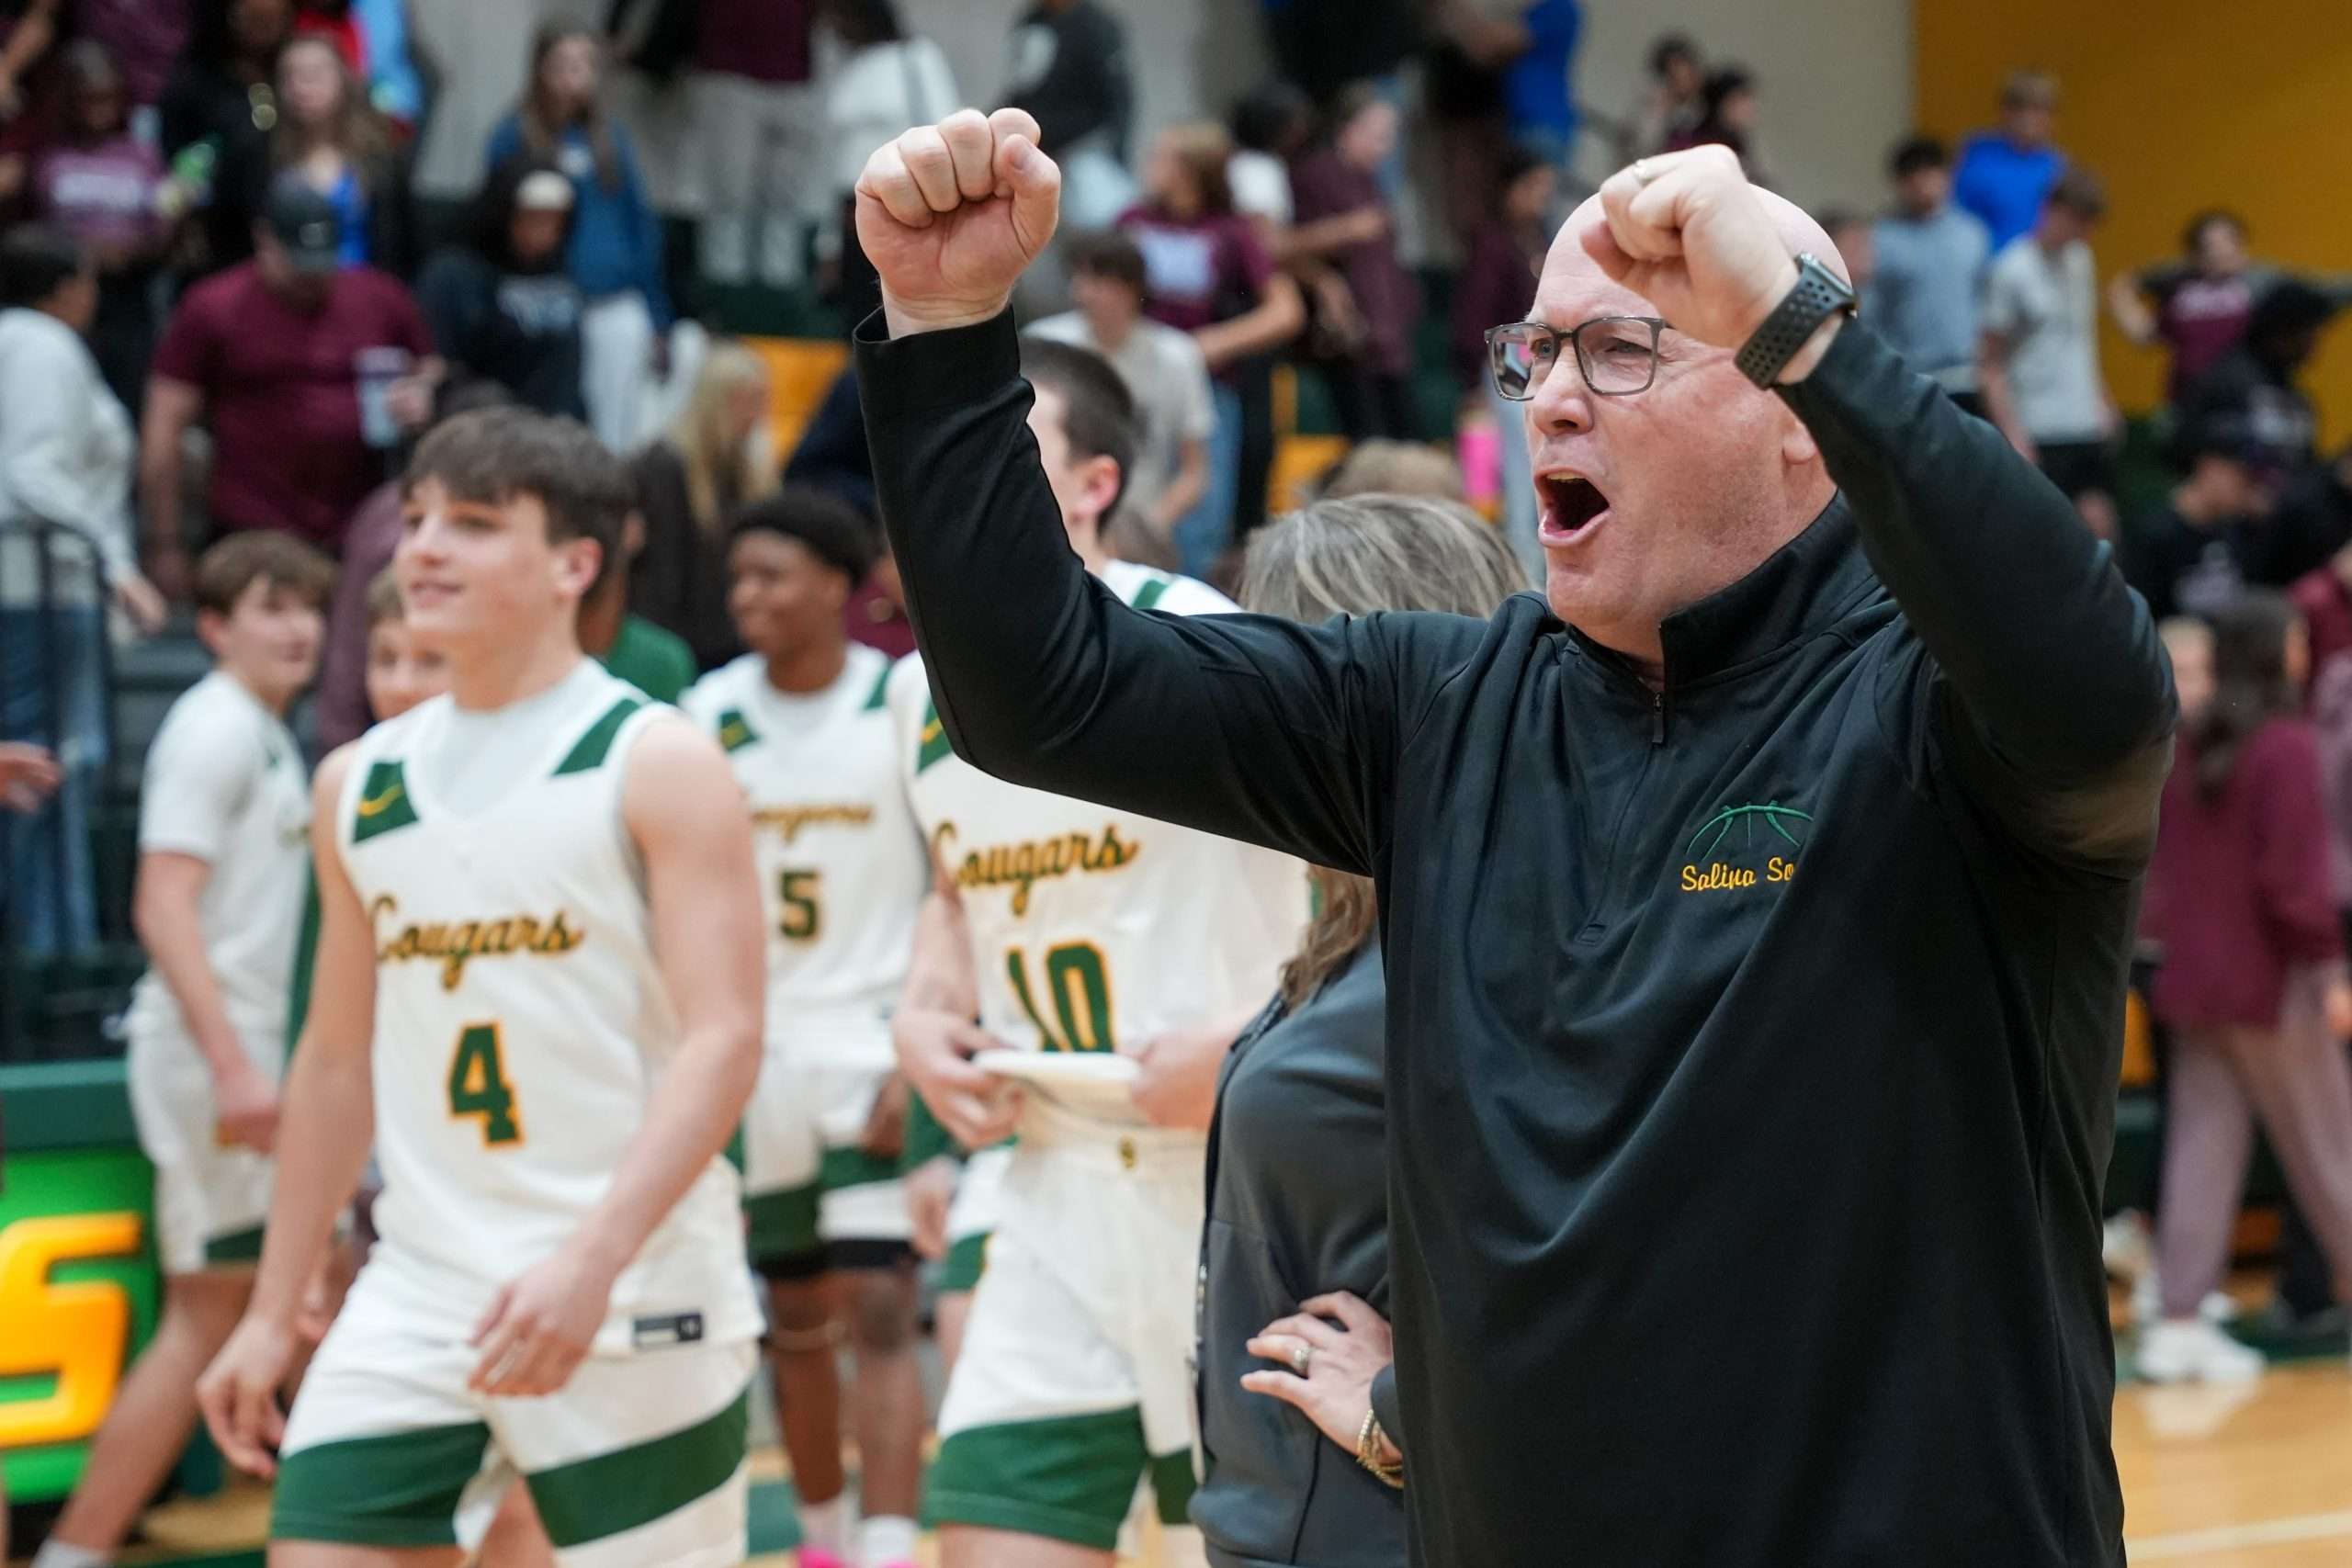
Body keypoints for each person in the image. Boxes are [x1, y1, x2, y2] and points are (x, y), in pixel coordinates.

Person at [854, 114, 2173, 1565]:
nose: (1550, 398)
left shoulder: (1936, 712)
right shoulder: (1438, 706)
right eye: (1534, 351)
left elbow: (2095, 678)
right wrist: (944, 322)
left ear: (1800, 411)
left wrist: (1803, 325)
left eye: (1622, 350)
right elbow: (1041, 689)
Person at [195, 406, 768, 1565]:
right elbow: (334, 1060)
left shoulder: (656, 761)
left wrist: (592, 1261)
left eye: (472, 523)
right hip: (422, 1285)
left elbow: (726, 1041)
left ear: (574, 564)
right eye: (415, 521)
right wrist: (272, 1310)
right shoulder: (355, 784)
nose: (425, 550)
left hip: (633, 1279)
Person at [880, 336, 1307, 1568]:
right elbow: (959, 889)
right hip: (1053, 1178)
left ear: (1094, 485)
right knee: (989, 1532)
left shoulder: (1203, 636)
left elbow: (1361, 891)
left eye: (1006, 454)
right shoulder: (916, 694)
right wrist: (922, 1011)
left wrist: (1245, 1056)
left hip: (1230, 1180)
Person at [1194, 494, 1525, 1568]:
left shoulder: (1485, 938)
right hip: (1281, 1521)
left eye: (1270, 672)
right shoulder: (1360, 915)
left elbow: (1619, 1270)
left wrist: (1397, 1417)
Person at [31, 532, 330, 1568]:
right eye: (268, 607)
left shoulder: (261, 733)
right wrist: (236, 1068)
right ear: (212, 627)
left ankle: (357, 1523)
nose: (296, 627)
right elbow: (162, 904)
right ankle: (77, 1547)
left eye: (306, 607)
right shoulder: (213, 732)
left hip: (241, 1052)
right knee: (214, 1310)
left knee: (310, 1286)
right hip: (216, 1059)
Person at [681, 489, 928, 1568]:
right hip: (756, 1051)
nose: (747, 598)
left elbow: (947, 884)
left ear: (839, 585)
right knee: (793, 1314)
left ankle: (886, 1542)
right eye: (737, 579)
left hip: (870, 1038)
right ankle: (821, 1540)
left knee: (881, 1301)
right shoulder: (703, 715)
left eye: (770, 575)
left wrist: (919, 1040)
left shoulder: (898, 702)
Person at [2141, 592, 2352, 1382]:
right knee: (2333, 1148)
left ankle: (2180, 1319)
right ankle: (2184, 1317)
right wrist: (2333, 971)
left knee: (2203, 1149)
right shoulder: (2287, 746)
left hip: (2195, 982)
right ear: (2274, 651)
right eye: (2296, 640)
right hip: (2273, 985)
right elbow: (2295, 886)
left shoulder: (2190, 741)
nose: (2305, 650)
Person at [141, 173, 438, 592]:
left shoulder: (380, 298)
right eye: (297, 263)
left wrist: (422, 393)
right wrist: (165, 543)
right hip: (253, 526)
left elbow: (433, 371)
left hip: (357, 526)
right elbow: (164, 424)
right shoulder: (214, 307)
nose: (311, 279)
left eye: (322, 263)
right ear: (265, 240)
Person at [0, 224, 164, 958]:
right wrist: (116, 564)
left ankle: (51, 955)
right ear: (68, 285)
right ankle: (52, 964)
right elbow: (30, 473)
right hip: (39, 594)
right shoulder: (41, 344)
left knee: (44, 777)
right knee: (47, 778)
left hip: (40, 593)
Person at [1119, 124, 1302, 576]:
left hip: (1206, 386)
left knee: (1202, 512)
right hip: (1136, 380)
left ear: (1191, 170)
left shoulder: (1231, 232)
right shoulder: (1134, 221)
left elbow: (1285, 310)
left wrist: (1215, 343)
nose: (1151, 166)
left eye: (1163, 157)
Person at [488, 23, 671, 453]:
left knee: (616, 433)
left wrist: (658, 316)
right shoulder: (512, 137)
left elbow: (640, 228)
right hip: (546, 304)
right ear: (539, 71)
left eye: (585, 66)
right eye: (563, 66)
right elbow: (494, 225)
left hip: (613, 302)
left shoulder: (611, 142)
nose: (574, 78)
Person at [1026, 229, 1213, 547]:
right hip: (1056, 528)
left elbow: (1194, 473)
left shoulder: (1178, 357)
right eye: (1079, 279)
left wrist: (1148, 529)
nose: (1083, 292)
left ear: (1131, 289)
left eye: (1098, 281)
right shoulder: (1044, 346)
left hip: (1141, 527)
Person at [30, 39, 174, 412]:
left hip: (128, 298)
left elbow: (164, 231)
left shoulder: (145, 158)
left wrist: (133, 251)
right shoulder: (50, 157)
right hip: (63, 296)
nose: (99, 109)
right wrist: (84, 252)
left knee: (125, 401)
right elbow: (36, 230)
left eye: (108, 97)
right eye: (89, 97)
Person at [1980, 165, 2120, 538]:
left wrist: (2102, 399)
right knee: (2045, 536)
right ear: (2052, 211)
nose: (2084, 234)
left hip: (2084, 421)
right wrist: (2012, 432)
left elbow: (2080, 338)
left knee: (2101, 526)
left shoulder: (2080, 260)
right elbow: (1990, 362)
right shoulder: (2012, 269)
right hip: (2037, 425)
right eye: (2078, 223)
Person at [629, 340, 775, 671]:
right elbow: (661, 576)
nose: (758, 413)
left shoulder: (746, 468)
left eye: (762, 399)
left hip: (731, 641)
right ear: (716, 403)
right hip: (679, 642)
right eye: (749, 400)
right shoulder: (662, 467)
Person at [1288, 84, 1419, 443]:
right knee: (1369, 441)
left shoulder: (1372, 183)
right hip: (1348, 340)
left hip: (1386, 337)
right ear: (1347, 130)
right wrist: (1346, 231)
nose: (1385, 145)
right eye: (1377, 134)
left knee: (1406, 439)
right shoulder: (1316, 175)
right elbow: (1283, 246)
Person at [815, 0, 956, 324]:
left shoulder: (916, 57)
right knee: (858, 316)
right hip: (851, 213)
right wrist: (829, 244)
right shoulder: (851, 68)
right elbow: (838, 162)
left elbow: (941, 127)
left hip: (902, 204)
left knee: (899, 311)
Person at [416, 156, 586, 418]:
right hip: (488, 432)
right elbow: (437, 366)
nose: (544, 231)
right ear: (504, 212)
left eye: (554, 220)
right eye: (533, 217)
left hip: (557, 431)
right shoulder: (457, 274)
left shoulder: (559, 273)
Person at [1455, 145, 1556, 580]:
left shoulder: (1536, 237)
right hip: (1508, 354)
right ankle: (1523, 575)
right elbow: (1475, 315)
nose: (1541, 197)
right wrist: (1475, 379)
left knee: (1538, 464)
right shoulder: (1493, 242)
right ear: (1511, 189)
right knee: (1519, 473)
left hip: (1539, 355)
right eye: (1534, 187)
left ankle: (1540, 568)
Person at [158, 0, 294, 280]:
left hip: (290, 226)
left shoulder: (295, 76)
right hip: (218, 234)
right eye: (253, 18)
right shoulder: (193, 84)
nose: (263, 29)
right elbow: (175, 165)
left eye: (272, 19)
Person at [686, 0, 818, 288]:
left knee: (785, 199)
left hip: (793, 73)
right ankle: (726, 297)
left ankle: (779, 300)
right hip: (730, 70)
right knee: (729, 195)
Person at [265, 30, 413, 274]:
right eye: (291, 75)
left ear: (344, 79)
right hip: (285, 293)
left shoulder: (381, 160)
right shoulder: (263, 154)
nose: (301, 85)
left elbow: (399, 249)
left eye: (315, 74)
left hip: (362, 291)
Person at [1870, 134, 1991, 403]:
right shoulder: (1882, 239)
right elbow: (1872, 311)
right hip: (1911, 376)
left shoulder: (1972, 234)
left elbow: (1986, 302)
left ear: (1947, 175)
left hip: (1968, 375)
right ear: (1899, 182)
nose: (1923, 182)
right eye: (1913, 174)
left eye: (1931, 171)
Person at [2123, 413, 2280, 622]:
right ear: (2209, 468)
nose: (2250, 489)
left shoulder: (2239, 530)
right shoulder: (2154, 535)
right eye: (2244, 477)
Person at [2178, 279, 2342, 478]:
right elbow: (2186, 445)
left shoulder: (2297, 398)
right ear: (2280, 333)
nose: (2315, 341)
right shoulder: (2226, 380)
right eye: (2308, 331)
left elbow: (2303, 468)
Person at [1003, 0, 1132, 229]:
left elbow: (1118, 98)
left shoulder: (1097, 27)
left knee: (1094, 234)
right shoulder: (1031, 23)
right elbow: (1021, 89)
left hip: (1084, 150)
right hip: (1034, 148)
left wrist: (1118, 155)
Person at [1951, 69, 2065, 250]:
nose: (2030, 118)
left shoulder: (2057, 166)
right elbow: (1954, 216)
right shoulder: (1977, 155)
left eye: (2040, 109)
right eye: (2020, 108)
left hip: (2035, 271)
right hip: (1982, 267)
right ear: (2004, 111)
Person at [1671, 65, 1768, 187]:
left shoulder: (1739, 142)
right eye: (1742, 100)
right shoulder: (1695, 143)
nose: (1751, 107)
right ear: (1724, 104)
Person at [1619, 30, 1702, 161]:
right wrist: (1659, 111)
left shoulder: (1701, 110)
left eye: (1688, 74)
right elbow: (1641, 148)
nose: (1684, 82)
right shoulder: (1649, 107)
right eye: (1675, 76)